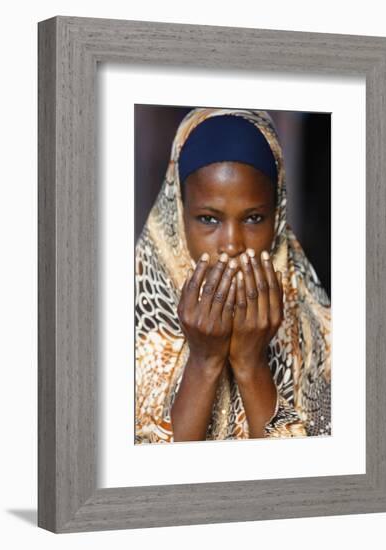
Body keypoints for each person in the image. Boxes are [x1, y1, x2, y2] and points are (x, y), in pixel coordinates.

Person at [135, 107, 331, 444]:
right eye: (209, 219)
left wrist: (250, 363)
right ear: (180, 216)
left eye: (253, 218)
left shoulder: (319, 336)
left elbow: (306, 483)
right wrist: (205, 361)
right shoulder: (134, 331)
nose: (231, 244)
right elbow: (152, 488)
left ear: (278, 217)